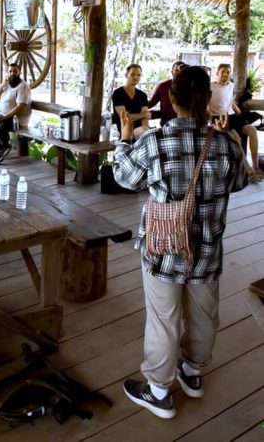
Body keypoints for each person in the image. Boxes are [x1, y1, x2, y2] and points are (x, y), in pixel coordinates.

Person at [113, 66, 246, 420]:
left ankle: (158, 391)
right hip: (206, 250)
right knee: (204, 315)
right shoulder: (226, 146)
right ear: (207, 100)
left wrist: (124, 139)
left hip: (164, 249)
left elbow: (124, 177)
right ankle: (192, 373)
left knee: (163, 318)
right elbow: (239, 183)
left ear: (172, 99)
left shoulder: (153, 141)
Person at [209, 63, 260, 173]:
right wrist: (209, 118)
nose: (225, 74)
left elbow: (229, 99)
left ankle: (255, 166)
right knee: (236, 137)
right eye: (223, 72)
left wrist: (235, 107)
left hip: (232, 116)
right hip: (218, 118)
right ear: (217, 73)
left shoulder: (230, 85)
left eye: (228, 72)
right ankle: (247, 171)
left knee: (252, 130)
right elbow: (205, 104)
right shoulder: (210, 87)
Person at [0, 64, 31, 164]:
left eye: (14, 71)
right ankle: (0, 148)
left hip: (16, 118)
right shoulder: (7, 84)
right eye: (10, 71)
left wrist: (3, 118)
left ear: (19, 72)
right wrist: (2, 85)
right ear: (7, 73)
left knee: (0, 129)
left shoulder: (23, 86)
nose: (12, 73)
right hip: (2, 114)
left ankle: (3, 148)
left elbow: (20, 107)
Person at [111, 63, 150, 139]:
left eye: (138, 75)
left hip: (140, 132)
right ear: (126, 75)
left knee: (147, 131)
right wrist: (143, 115)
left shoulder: (142, 95)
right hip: (125, 132)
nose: (135, 77)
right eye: (132, 74)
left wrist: (145, 130)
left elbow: (145, 119)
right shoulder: (118, 93)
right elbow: (125, 118)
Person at [148, 61, 188, 125]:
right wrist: (139, 107)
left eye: (181, 70)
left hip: (186, 123)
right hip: (166, 123)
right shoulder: (163, 86)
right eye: (176, 70)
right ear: (172, 72)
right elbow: (153, 101)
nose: (179, 72)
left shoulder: (191, 87)